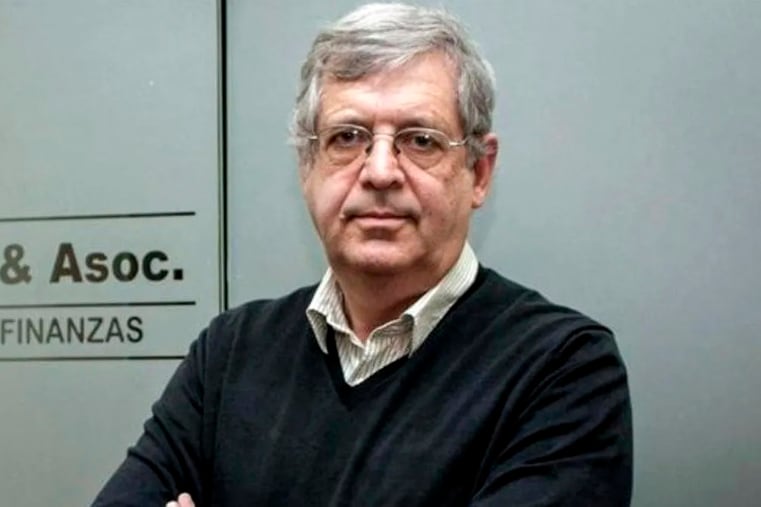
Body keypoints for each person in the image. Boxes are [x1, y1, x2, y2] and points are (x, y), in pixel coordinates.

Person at [93, 3, 632, 506]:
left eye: (420, 140)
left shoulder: (562, 369)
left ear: (479, 171)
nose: (379, 171)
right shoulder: (230, 354)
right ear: (306, 166)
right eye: (347, 137)